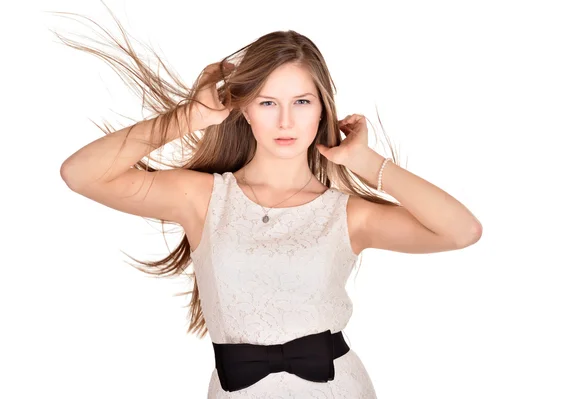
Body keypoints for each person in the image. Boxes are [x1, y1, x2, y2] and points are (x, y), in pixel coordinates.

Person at [57, 10, 481, 398]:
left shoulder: (347, 214)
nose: (285, 121)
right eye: (267, 102)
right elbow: (81, 174)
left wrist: (366, 161)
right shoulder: (202, 198)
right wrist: (191, 117)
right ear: (244, 111)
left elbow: (462, 231)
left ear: (321, 110)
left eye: (301, 102)